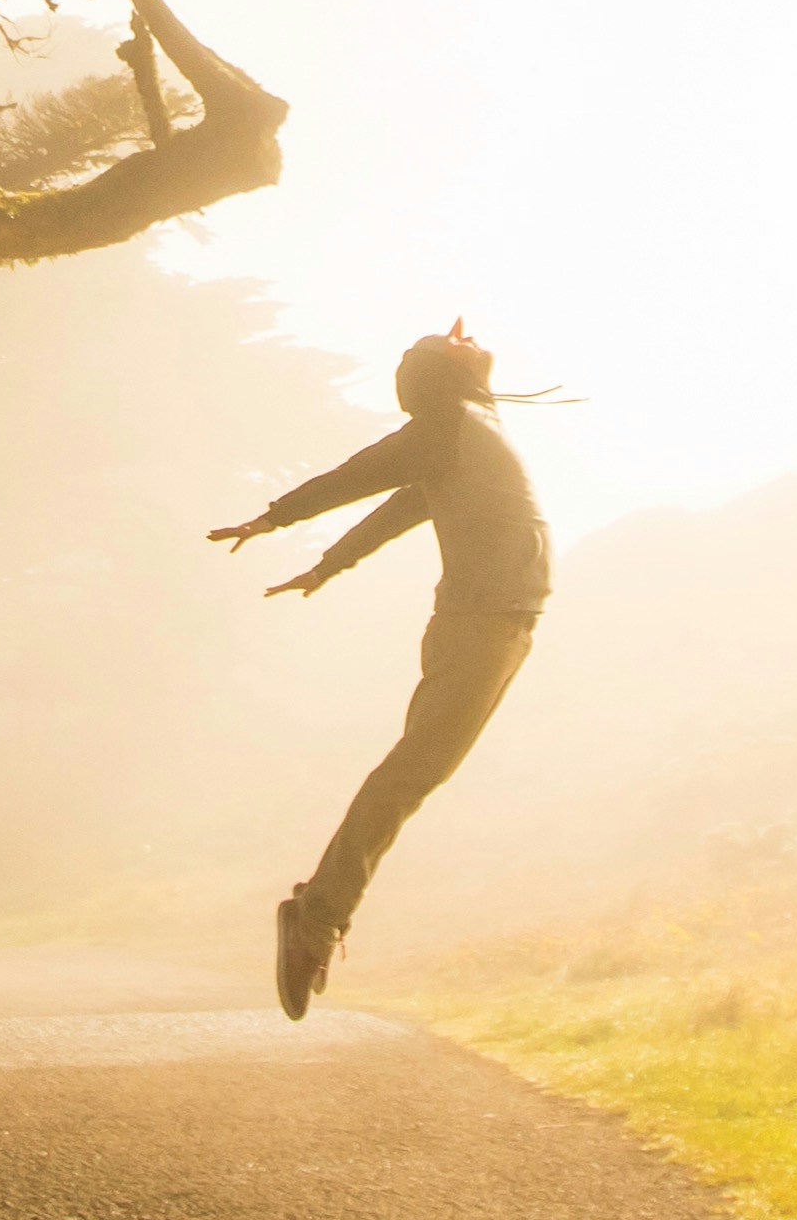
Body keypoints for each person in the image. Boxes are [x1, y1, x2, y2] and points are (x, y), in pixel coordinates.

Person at [209, 320, 551, 1021]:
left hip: (505, 626)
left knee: (415, 773)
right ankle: (316, 916)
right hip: (481, 625)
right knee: (409, 773)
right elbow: (358, 476)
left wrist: (329, 563)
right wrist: (276, 518)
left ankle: (319, 911)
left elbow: (402, 505)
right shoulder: (452, 422)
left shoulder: (468, 426)